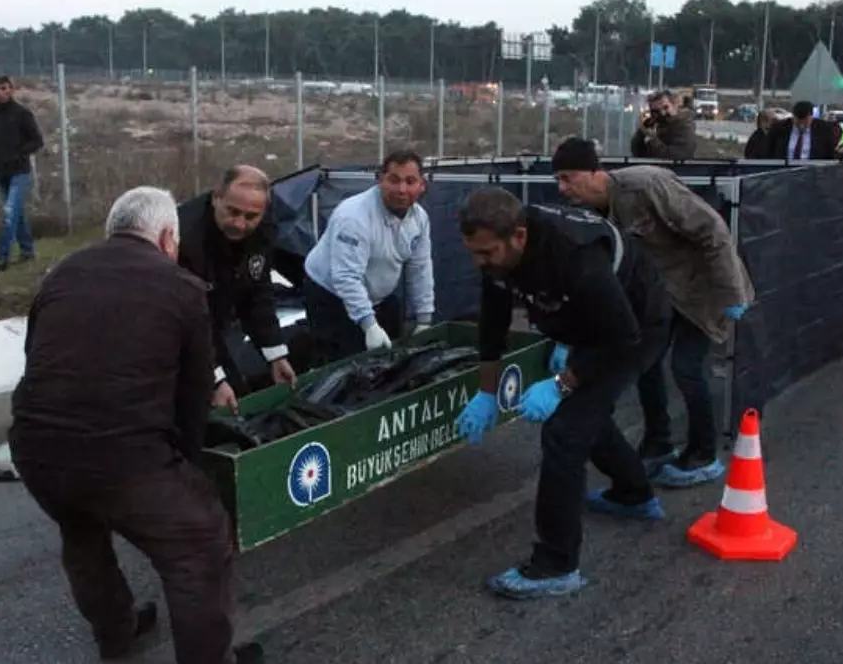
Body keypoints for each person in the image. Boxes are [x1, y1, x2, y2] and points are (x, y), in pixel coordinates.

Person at [8, 186, 263, 664]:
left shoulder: (62, 274)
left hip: (37, 450)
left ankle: (117, 633)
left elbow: (37, 358)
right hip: (122, 458)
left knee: (82, 532)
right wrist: (189, 473)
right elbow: (193, 397)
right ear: (168, 237)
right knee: (199, 543)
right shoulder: (182, 288)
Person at [453, 187, 671, 600]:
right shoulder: (499, 257)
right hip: (589, 325)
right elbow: (492, 324)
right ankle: (633, 494)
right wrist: (486, 391)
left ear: (518, 236)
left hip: (636, 327)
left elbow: (622, 337)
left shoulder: (575, 256)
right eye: (473, 253)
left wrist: (562, 383)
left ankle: (555, 564)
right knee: (585, 417)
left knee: (565, 431)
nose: (478, 263)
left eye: (486, 254)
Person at [551, 137, 755, 487]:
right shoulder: (594, 213)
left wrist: (731, 293)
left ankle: (704, 453)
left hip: (702, 288)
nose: (562, 188)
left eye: (568, 178)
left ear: (594, 171)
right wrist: (569, 337)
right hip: (660, 295)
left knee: (686, 368)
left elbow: (713, 231)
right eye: (558, 179)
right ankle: (658, 442)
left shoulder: (646, 186)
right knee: (643, 363)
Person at [177, 165, 297, 412]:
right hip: (176, 332)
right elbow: (188, 321)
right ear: (216, 198)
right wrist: (215, 380)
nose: (240, 224)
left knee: (237, 397)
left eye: (251, 217)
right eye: (233, 212)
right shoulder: (186, 238)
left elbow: (257, 290)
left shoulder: (264, 228)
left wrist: (275, 354)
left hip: (217, 319)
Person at [302, 149, 435, 364]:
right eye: (394, 180)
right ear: (380, 179)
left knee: (387, 364)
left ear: (422, 185)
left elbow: (420, 268)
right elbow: (346, 277)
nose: (402, 189)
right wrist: (369, 325)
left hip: (378, 297)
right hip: (330, 295)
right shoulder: (354, 217)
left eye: (410, 181)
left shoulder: (419, 218)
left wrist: (424, 319)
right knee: (344, 366)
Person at [0, 76, 44, 270]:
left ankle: (2, 255)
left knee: (9, 213)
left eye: (3, 88)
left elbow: (37, 141)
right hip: (1, 171)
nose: (0, 92)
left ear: (11, 90)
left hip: (19, 171)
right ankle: (27, 251)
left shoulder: (22, 114)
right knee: (16, 214)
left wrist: (19, 153)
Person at [630, 90, 697, 160]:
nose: (662, 113)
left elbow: (674, 158)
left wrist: (652, 138)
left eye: (665, 108)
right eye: (656, 111)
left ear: (674, 105)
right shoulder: (657, 125)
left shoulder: (684, 127)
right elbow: (638, 153)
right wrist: (641, 132)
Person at [765, 100, 837, 160]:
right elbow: (769, 151)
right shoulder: (779, 128)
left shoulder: (824, 129)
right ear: (793, 116)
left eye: (805, 122)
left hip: (814, 172)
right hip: (784, 171)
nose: (801, 125)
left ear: (811, 117)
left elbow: (830, 153)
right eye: (798, 121)